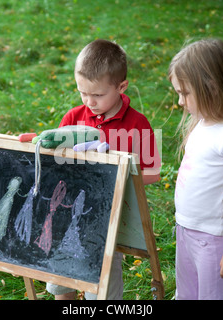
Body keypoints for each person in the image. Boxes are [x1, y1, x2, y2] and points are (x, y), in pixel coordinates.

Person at [46, 39, 161, 300]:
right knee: (61, 280)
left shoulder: (137, 124)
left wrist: (112, 169)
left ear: (121, 87)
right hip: (67, 213)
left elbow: (153, 173)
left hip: (109, 220)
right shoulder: (74, 118)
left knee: (101, 285)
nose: (89, 102)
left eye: (97, 95)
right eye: (82, 93)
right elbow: (57, 165)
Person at [168, 38, 223, 300]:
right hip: (184, 231)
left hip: (214, 240)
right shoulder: (200, 123)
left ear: (212, 87)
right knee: (187, 294)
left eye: (185, 93)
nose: (181, 102)